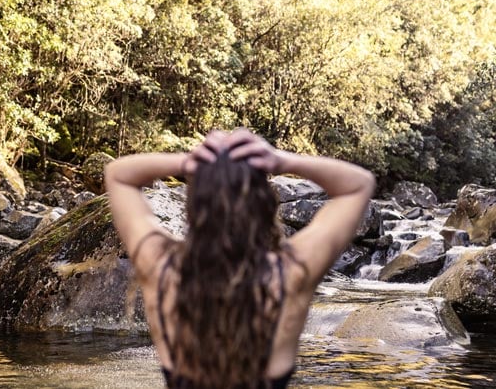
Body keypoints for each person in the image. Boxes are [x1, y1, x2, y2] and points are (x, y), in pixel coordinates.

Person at [104, 128, 375, 389]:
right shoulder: (291, 273)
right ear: (265, 202)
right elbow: (358, 185)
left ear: (195, 203)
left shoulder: (162, 268)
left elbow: (118, 174)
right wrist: (281, 160)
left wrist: (188, 161)